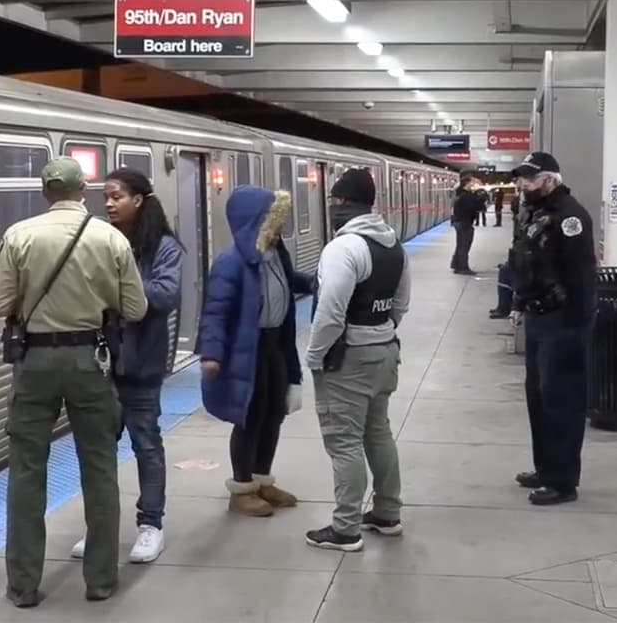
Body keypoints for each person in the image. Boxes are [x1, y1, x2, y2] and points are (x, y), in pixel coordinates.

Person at [0, 157, 148, 607]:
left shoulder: (19, 235)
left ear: (44, 193)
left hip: (34, 362)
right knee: (99, 469)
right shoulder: (109, 237)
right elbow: (135, 308)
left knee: (26, 471)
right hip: (90, 359)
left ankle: (23, 584)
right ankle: (99, 580)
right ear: (84, 192)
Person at [68, 168, 184, 564]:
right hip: (99, 364)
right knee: (98, 449)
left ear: (139, 199)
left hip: (142, 366)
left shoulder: (164, 246)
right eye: (106, 198)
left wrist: (119, 285)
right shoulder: (102, 238)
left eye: (116, 196)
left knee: (146, 444)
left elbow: (165, 295)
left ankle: (151, 525)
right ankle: (99, 526)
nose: (110, 204)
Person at [304, 168, 410, 552]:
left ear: (343, 202)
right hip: (385, 351)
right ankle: (386, 513)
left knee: (344, 442)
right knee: (377, 432)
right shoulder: (392, 245)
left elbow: (330, 313)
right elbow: (401, 304)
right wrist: (381, 331)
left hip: (348, 357)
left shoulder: (344, 248)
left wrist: (315, 356)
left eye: (334, 200)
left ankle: (345, 528)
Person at [198, 185, 314, 517]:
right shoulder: (230, 263)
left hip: (276, 344)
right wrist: (212, 354)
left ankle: (262, 480)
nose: (280, 229)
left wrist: (314, 282)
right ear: (254, 223)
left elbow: (288, 280)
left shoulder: (277, 254)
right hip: (247, 349)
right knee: (251, 416)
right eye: (273, 222)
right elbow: (215, 312)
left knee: (275, 412)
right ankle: (242, 487)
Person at [507, 151, 597, 505]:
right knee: (539, 397)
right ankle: (545, 467)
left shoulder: (571, 218)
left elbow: (581, 278)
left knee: (562, 400)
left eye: (530, 178)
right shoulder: (533, 212)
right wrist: (518, 304)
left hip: (563, 322)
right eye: (521, 178)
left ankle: (563, 481)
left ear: (550, 180)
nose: (522, 184)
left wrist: (574, 326)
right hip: (538, 317)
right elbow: (524, 263)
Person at [450, 174, 481, 275]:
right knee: (464, 245)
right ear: (466, 183)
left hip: (459, 222)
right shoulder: (467, 196)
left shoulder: (460, 194)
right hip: (465, 222)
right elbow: (477, 206)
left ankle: (456, 264)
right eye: (471, 182)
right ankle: (462, 267)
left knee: (460, 244)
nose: (473, 184)